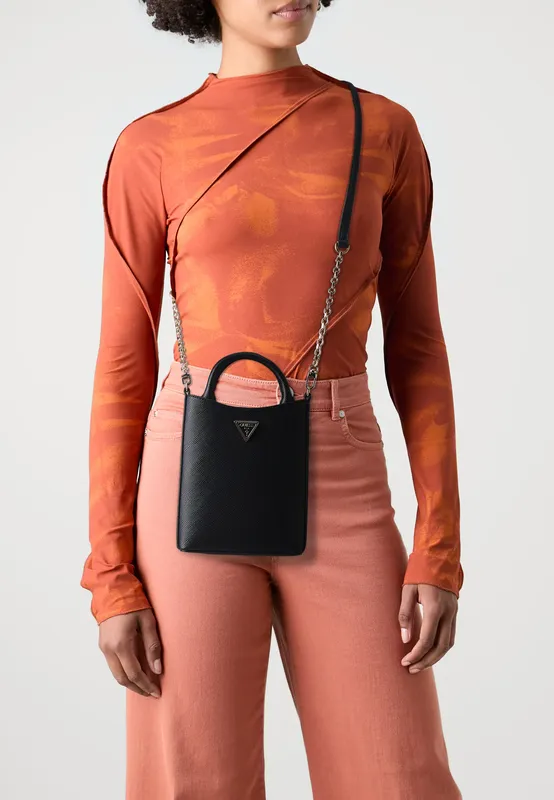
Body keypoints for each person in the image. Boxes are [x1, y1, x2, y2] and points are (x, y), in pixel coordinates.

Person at [80, 1, 464, 797]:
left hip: (342, 472)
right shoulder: (151, 146)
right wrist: (111, 573)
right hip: (190, 477)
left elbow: (419, 347)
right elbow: (122, 366)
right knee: (193, 780)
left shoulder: (381, 130)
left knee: (397, 776)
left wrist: (439, 544)